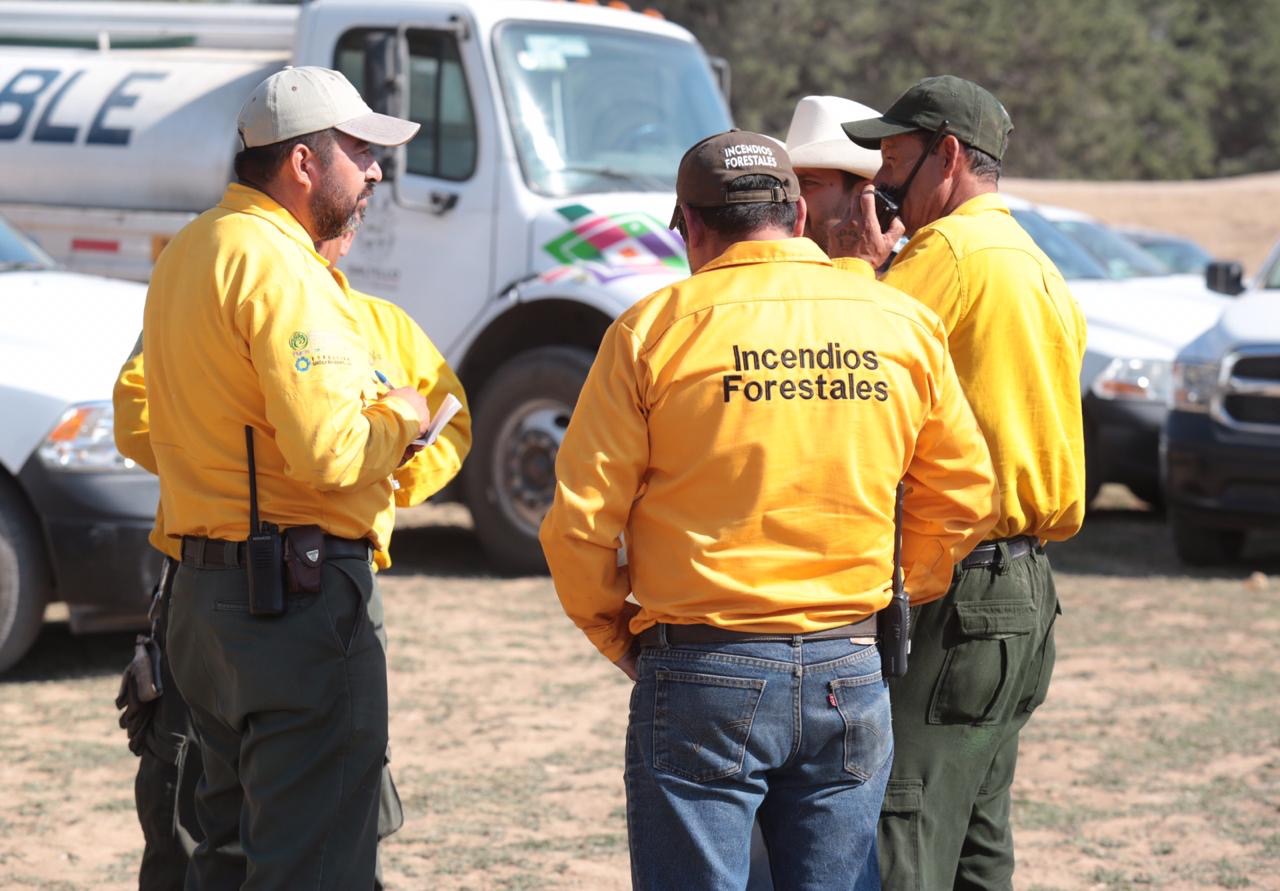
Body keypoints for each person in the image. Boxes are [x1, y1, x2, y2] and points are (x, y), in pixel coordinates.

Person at [539, 130, 999, 891]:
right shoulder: (899, 323)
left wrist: (615, 631)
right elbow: (961, 494)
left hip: (701, 665)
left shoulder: (653, 330)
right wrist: (895, 592)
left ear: (688, 225)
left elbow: (582, 519)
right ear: (796, 213)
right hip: (849, 664)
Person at [114, 214, 471, 889]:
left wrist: (385, 468)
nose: (365, 198)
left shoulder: (379, 322)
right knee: (199, 828)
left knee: (318, 819)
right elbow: (136, 418)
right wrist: (251, 451)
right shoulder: (221, 288)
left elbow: (450, 420)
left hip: (319, 573)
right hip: (224, 585)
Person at [140, 65, 428, 889]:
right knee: (315, 865)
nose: (375, 170)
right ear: (303, 163)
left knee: (223, 856)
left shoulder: (192, 249)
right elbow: (332, 452)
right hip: (290, 607)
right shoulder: (285, 268)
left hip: (202, 604)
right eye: (360, 150)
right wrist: (404, 415)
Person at [836, 75, 1088, 890]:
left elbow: (859, 369)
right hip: (1025, 591)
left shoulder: (946, 254)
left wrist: (864, 276)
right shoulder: (1035, 261)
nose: (881, 184)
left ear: (948, 156)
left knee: (901, 822)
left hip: (957, 584)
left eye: (895, 159)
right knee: (978, 833)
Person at [783, 95, 882, 260]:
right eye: (787, 184)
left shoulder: (901, 274)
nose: (790, 197)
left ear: (863, 196)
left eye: (808, 183)